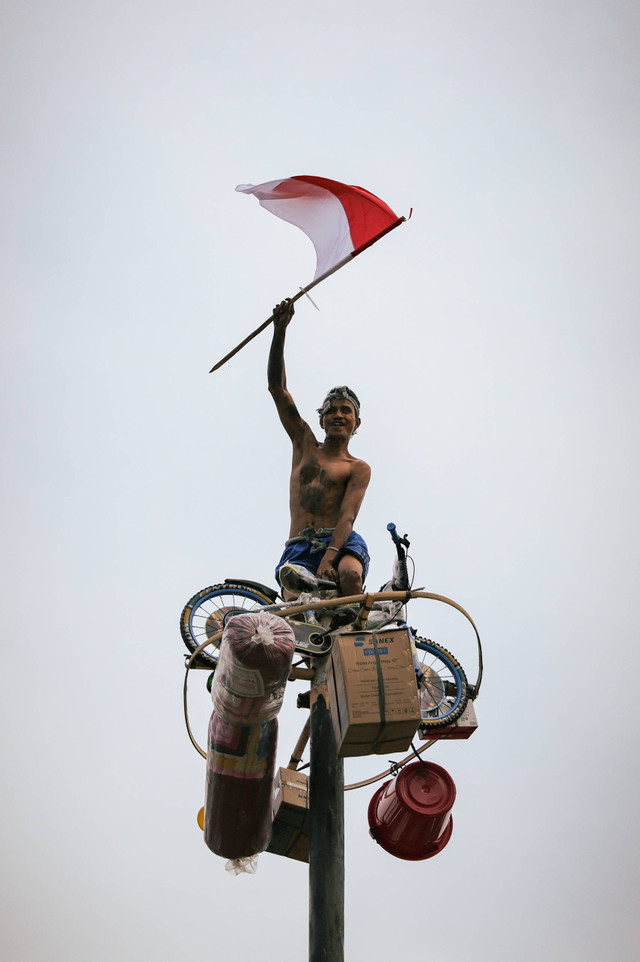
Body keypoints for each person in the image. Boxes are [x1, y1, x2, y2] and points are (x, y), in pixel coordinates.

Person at [268, 299, 371, 598]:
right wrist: (280, 331)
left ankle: (355, 631)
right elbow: (278, 388)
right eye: (331, 410)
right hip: (299, 545)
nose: (338, 415)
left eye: (345, 411)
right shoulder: (305, 445)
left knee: (350, 574)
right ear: (322, 420)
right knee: (293, 603)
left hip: (340, 542)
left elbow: (347, 518)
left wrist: (329, 557)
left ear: (357, 422)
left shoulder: (357, 468)